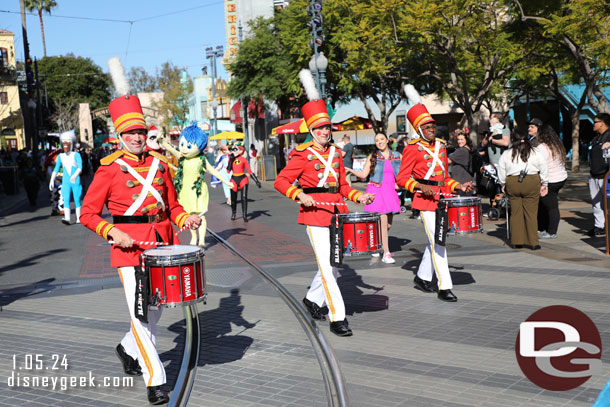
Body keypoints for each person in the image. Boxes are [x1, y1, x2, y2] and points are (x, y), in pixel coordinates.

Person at [80, 93, 202, 405]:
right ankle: (156, 381)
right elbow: (87, 214)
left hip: (161, 247)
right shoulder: (108, 169)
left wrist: (185, 218)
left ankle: (127, 347)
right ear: (120, 136)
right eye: (130, 133)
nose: (136, 137)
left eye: (140, 132)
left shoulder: (160, 165)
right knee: (142, 317)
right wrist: (112, 231)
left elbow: (172, 206)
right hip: (129, 249)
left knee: (156, 310)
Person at [274, 69, 375, 336]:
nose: (323, 131)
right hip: (314, 214)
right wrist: (299, 195)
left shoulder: (337, 154)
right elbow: (281, 181)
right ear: (311, 129)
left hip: (337, 213)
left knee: (332, 264)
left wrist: (359, 197)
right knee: (329, 269)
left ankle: (312, 300)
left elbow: (342, 187)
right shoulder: (302, 155)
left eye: (326, 127)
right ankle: (337, 317)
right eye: (318, 128)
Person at [396, 89, 472, 302]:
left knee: (436, 240)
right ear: (419, 130)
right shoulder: (412, 149)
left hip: (443, 197)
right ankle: (444, 286)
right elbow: (401, 179)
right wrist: (419, 187)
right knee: (439, 242)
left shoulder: (440, 146)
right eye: (426, 127)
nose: (431, 130)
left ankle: (421, 277)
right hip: (425, 201)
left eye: (433, 126)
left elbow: (444, 177)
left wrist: (458, 187)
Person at [347, 133, 401, 263]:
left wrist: (401, 183)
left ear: (387, 140)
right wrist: (350, 170)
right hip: (376, 191)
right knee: (382, 222)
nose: (380, 142)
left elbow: (404, 172)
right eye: (377, 140)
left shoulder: (398, 156)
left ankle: (376, 244)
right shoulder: (373, 156)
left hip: (390, 191)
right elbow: (364, 174)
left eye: (382, 139)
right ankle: (386, 253)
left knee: (388, 224)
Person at [498, 132, 548, 250]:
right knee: (531, 213)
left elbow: (501, 169)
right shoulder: (536, 152)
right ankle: (533, 242)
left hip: (512, 182)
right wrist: (544, 183)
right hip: (531, 181)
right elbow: (544, 167)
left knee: (515, 213)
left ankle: (517, 241)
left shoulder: (507, 153)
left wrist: (503, 183)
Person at [536, 125, 568, 239]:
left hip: (550, 180)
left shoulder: (542, 148)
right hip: (560, 178)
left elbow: (539, 165)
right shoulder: (557, 145)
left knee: (551, 207)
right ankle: (543, 228)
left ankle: (551, 232)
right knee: (546, 205)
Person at [49, 130, 83, 225]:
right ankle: (67, 218)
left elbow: (80, 167)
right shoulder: (61, 156)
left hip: (75, 180)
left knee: (77, 199)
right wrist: (52, 179)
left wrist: (75, 175)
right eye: (63, 142)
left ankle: (79, 218)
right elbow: (56, 168)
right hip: (66, 181)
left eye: (67, 142)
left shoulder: (76, 155)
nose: (65, 145)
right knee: (65, 198)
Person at [228, 140, 261, 222]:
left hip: (243, 178)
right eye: (233, 149)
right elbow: (228, 171)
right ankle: (233, 213)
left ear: (241, 150)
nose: (233, 151)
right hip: (234, 179)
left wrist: (256, 181)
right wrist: (231, 160)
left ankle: (244, 215)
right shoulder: (231, 159)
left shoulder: (244, 160)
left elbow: (250, 171)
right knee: (233, 198)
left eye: (235, 149)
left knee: (244, 197)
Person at [589, 113, 610, 237]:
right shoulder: (597, 137)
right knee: (596, 203)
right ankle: (599, 226)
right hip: (594, 174)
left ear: (602, 123)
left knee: (607, 203)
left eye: (595, 122)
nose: (593, 124)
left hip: (605, 175)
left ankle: (607, 226)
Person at [447, 129, 474, 195]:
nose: (459, 141)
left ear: (466, 140)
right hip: (467, 181)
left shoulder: (461, 150)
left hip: (461, 183)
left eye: (462, 139)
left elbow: (448, 161)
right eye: (458, 139)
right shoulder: (469, 149)